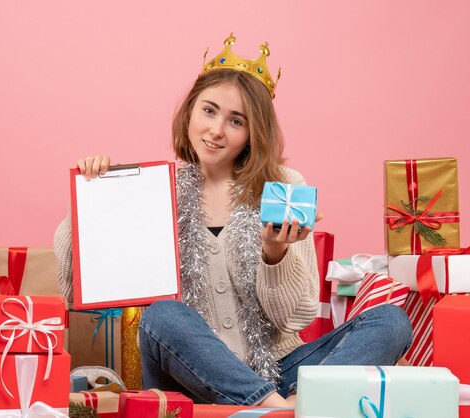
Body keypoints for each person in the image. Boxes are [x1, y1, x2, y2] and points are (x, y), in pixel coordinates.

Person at [54, 34, 412, 408]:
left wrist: (274, 254)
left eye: (235, 120)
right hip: (190, 377)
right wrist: (86, 197)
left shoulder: (283, 188)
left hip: (282, 370)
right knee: (162, 316)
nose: (216, 130)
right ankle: (285, 410)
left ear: (252, 132)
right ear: (190, 110)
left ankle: (294, 403)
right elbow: (76, 293)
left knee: (391, 322)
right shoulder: (156, 191)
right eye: (208, 111)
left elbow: (296, 317)